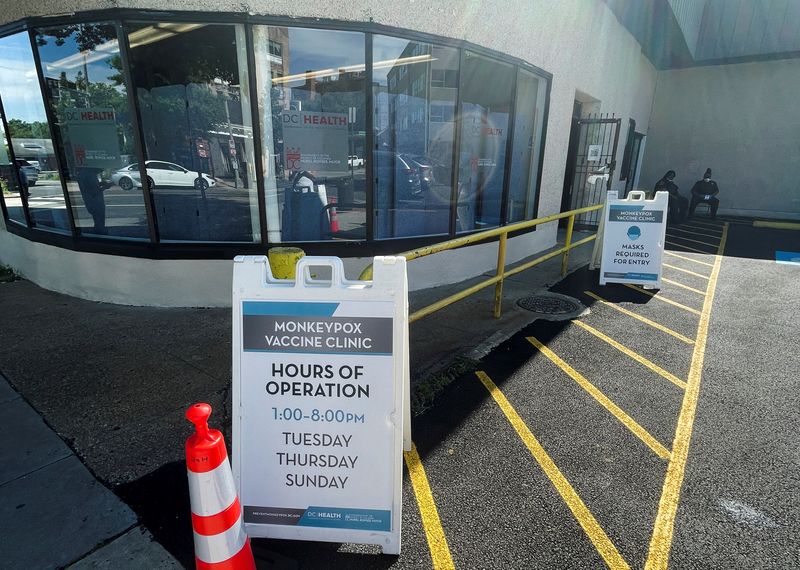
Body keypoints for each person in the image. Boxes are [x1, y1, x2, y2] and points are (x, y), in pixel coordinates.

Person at [77, 166, 110, 234]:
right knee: (99, 219)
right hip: (95, 201)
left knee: (96, 218)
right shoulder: (89, 174)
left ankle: (98, 231)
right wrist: (105, 187)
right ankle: (100, 232)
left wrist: (101, 184)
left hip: (89, 200)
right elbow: (94, 191)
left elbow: (91, 187)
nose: (101, 171)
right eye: (101, 169)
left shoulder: (83, 173)